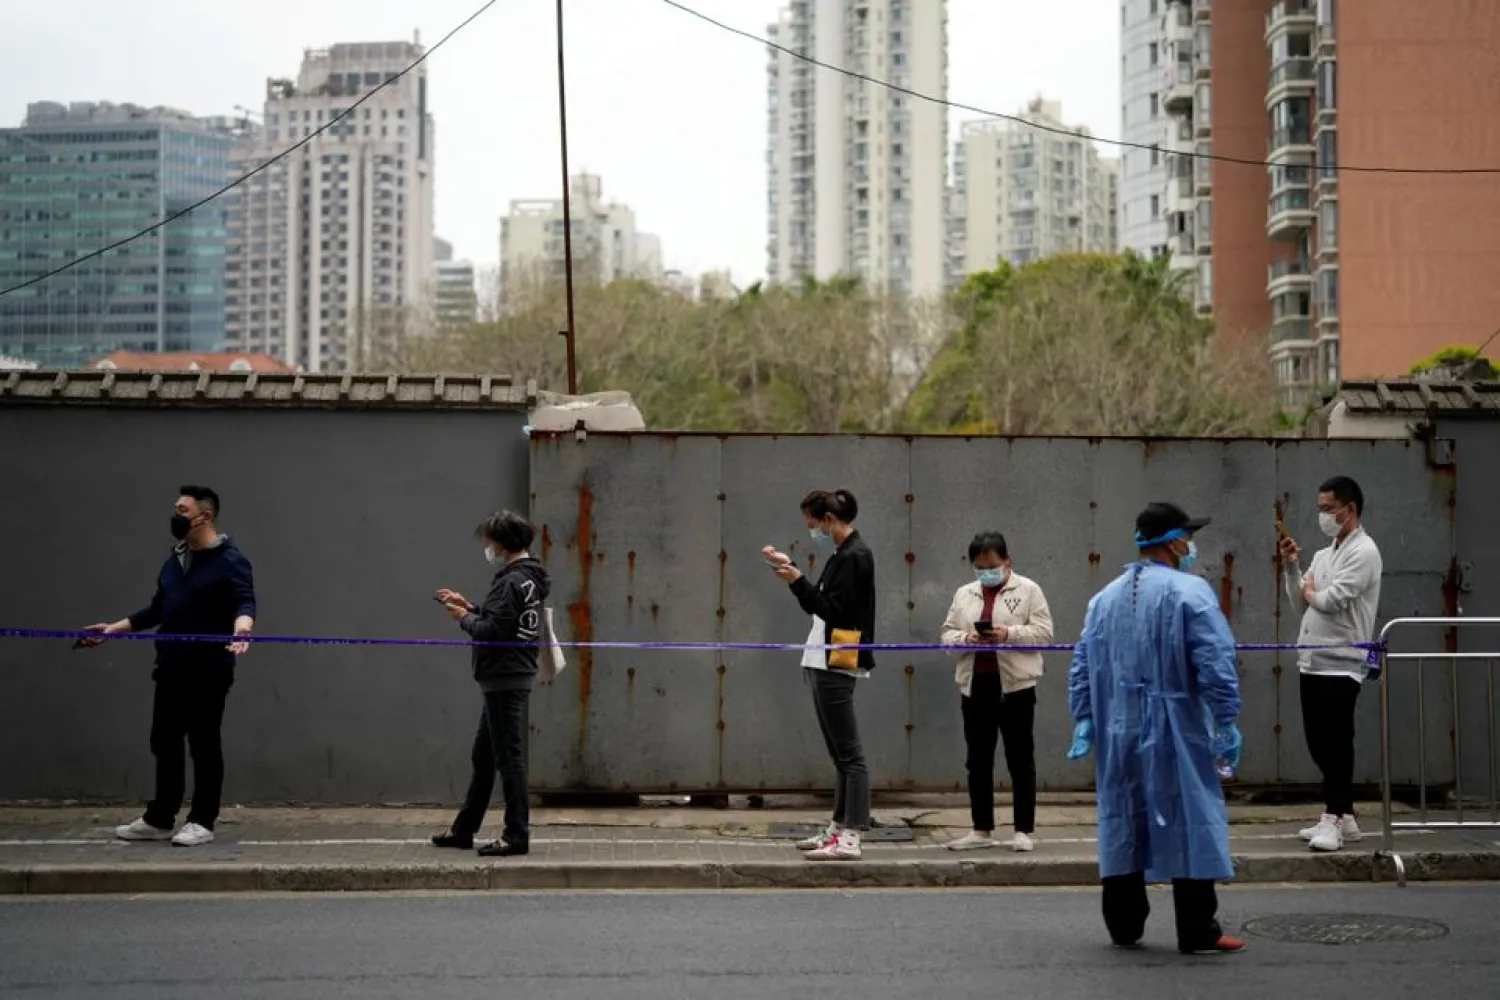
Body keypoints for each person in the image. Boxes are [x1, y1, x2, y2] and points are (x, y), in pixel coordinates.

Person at [1066, 502, 1245, 955]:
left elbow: (1081, 663)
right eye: (1188, 536)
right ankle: (1197, 928)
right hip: (1176, 727)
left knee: (1123, 816)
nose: (1191, 545)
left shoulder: (1103, 598)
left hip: (1118, 728)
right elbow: (1215, 661)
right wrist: (1225, 719)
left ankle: (1124, 926)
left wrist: (1085, 717)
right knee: (1190, 816)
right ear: (1175, 542)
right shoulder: (1191, 592)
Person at [82, 486, 256, 848]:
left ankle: (202, 820)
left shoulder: (230, 559)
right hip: (171, 665)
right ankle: (160, 817)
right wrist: (115, 628)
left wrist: (243, 630)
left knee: (204, 742)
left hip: (209, 668)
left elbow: (245, 601)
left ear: (204, 517)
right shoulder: (175, 560)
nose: (175, 515)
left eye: (182, 509)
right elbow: (158, 609)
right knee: (164, 740)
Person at [762, 488, 876, 862]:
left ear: (828, 518)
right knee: (839, 753)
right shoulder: (844, 554)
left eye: (812, 521)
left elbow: (833, 610)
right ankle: (839, 827)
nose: (811, 528)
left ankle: (851, 834)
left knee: (850, 754)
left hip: (835, 658)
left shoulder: (855, 556)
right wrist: (793, 570)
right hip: (822, 657)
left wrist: (796, 580)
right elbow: (829, 602)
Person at [431, 511, 551, 858]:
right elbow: (503, 618)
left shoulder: (511, 581)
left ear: (502, 542)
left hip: (503, 676)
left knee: (508, 758)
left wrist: (463, 618)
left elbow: (490, 633)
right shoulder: (528, 578)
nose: (486, 544)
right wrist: (470, 606)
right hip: (512, 674)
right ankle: (463, 829)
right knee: (483, 756)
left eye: (489, 538)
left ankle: (517, 835)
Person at [1280, 475, 1383, 853]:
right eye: (1320, 509)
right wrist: (1293, 568)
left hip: (1342, 661)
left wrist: (1312, 591)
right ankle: (1347, 815)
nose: (1323, 515)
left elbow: (1334, 600)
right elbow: (1302, 602)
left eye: (1328, 509)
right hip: (1312, 659)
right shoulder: (1324, 555)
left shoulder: (1365, 551)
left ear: (1349, 509)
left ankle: (1333, 817)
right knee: (1318, 741)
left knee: (1337, 742)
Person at [939, 531, 1054, 852]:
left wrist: (1008, 634)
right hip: (975, 684)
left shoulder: (1029, 590)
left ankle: (1022, 830)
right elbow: (946, 635)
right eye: (979, 567)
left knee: (1019, 757)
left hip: (1016, 685)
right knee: (977, 759)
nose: (986, 572)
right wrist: (966, 640)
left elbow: (1044, 634)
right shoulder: (964, 594)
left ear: (1007, 561)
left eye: (992, 565)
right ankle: (980, 829)